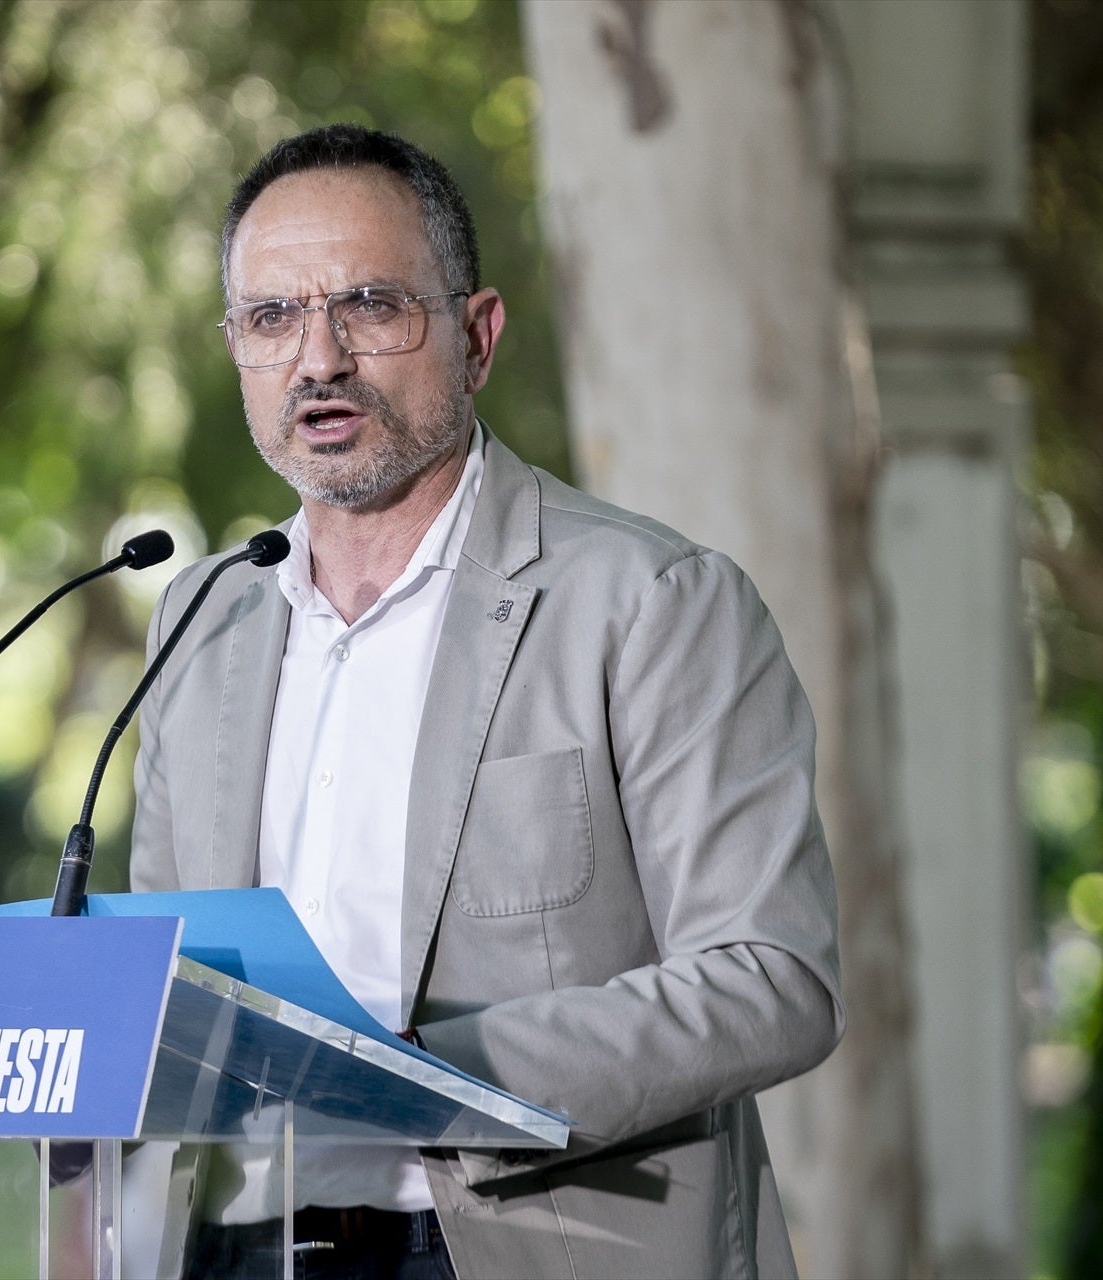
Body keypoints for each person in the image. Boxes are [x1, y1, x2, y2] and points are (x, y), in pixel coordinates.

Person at [128, 124, 842, 1279]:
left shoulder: (649, 600)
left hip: (532, 1246)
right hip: (238, 1247)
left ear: (476, 334)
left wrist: (425, 1073)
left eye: (369, 304)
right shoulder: (202, 617)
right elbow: (170, 974)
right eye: (272, 319)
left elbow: (775, 973)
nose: (320, 359)